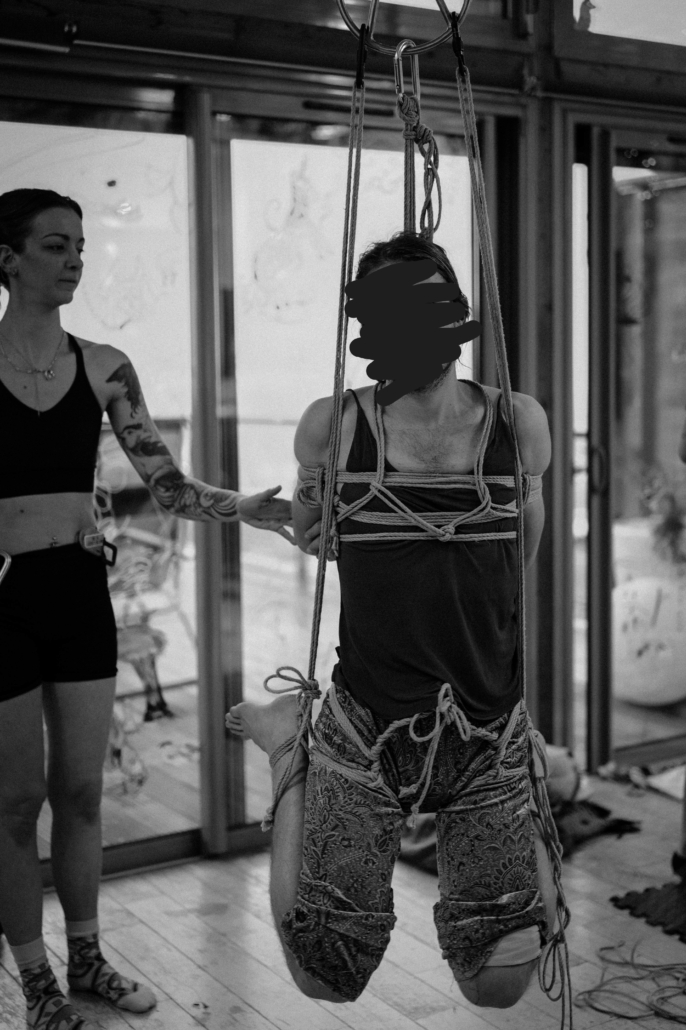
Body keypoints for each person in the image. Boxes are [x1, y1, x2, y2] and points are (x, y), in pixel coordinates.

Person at [227, 231, 561, 1010]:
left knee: (499, 985)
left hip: (485, 727)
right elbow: (315, 535)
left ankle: (533, 773)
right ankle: (287, 749)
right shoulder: (335, 425)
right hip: (369, 721)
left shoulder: (518, 422)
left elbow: (518, 561)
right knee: (323, 974)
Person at [0, 188, 296, 1030]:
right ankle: (37, 984)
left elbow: (167, 484)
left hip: (76, 590)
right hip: (2, 601)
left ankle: (87, 958)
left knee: (82, 792)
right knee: (16, 804)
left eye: (79, 244)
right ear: (7, 260)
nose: (75, 259)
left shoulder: (104, 365)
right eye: (54, 245)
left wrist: (244, 508)